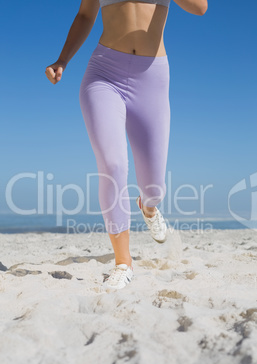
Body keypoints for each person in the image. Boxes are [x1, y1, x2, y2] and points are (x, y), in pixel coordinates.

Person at [45, 0, 208, 290]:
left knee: (155, 189)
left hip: (152, 78)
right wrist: (62, 60)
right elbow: (85, 15)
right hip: (104, 73)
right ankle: (123, 262)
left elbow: (200, 7)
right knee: (113, 164)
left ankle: (148, 207)